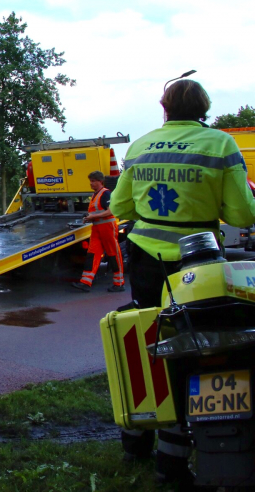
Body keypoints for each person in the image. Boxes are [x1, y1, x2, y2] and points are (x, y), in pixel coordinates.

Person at [110, 79, 255, 485]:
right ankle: (174, 461)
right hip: (200, 264)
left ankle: (134, 441)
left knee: (147, 342)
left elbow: (119, 205)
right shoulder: (221, 145)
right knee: (198, 350)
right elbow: (242, 215)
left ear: (164, 107)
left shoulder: (140, 146)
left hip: (145, 259)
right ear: (205, 108)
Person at [71, 171, 125, 292]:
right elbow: (96, 212)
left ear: (100, 181)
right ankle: (85, 282)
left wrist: (92, 217)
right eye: (90, 181)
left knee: (113, 253)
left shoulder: (105, 193)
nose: (91, 183)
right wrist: (89, 218)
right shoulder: (95, 195)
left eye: (93, 181)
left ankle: (119, 283)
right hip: (97, 227)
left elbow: (111, 211)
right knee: (92, 253)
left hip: (107, 227)